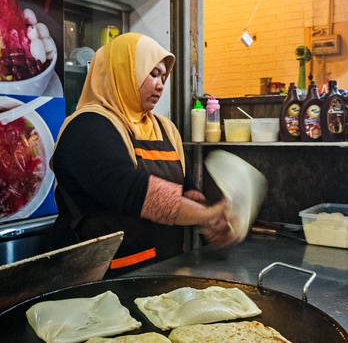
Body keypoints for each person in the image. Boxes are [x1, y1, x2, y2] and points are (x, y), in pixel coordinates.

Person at [50, 33, 233, 276]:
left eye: (163, 77)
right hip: (100, 278)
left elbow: (186, 186)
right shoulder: (87, 126)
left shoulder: (164, 128)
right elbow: (135, 192)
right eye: (153, 74)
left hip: (161, 270)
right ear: (121, 71)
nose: (160, 84)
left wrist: (209, 219)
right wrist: (207, 214)